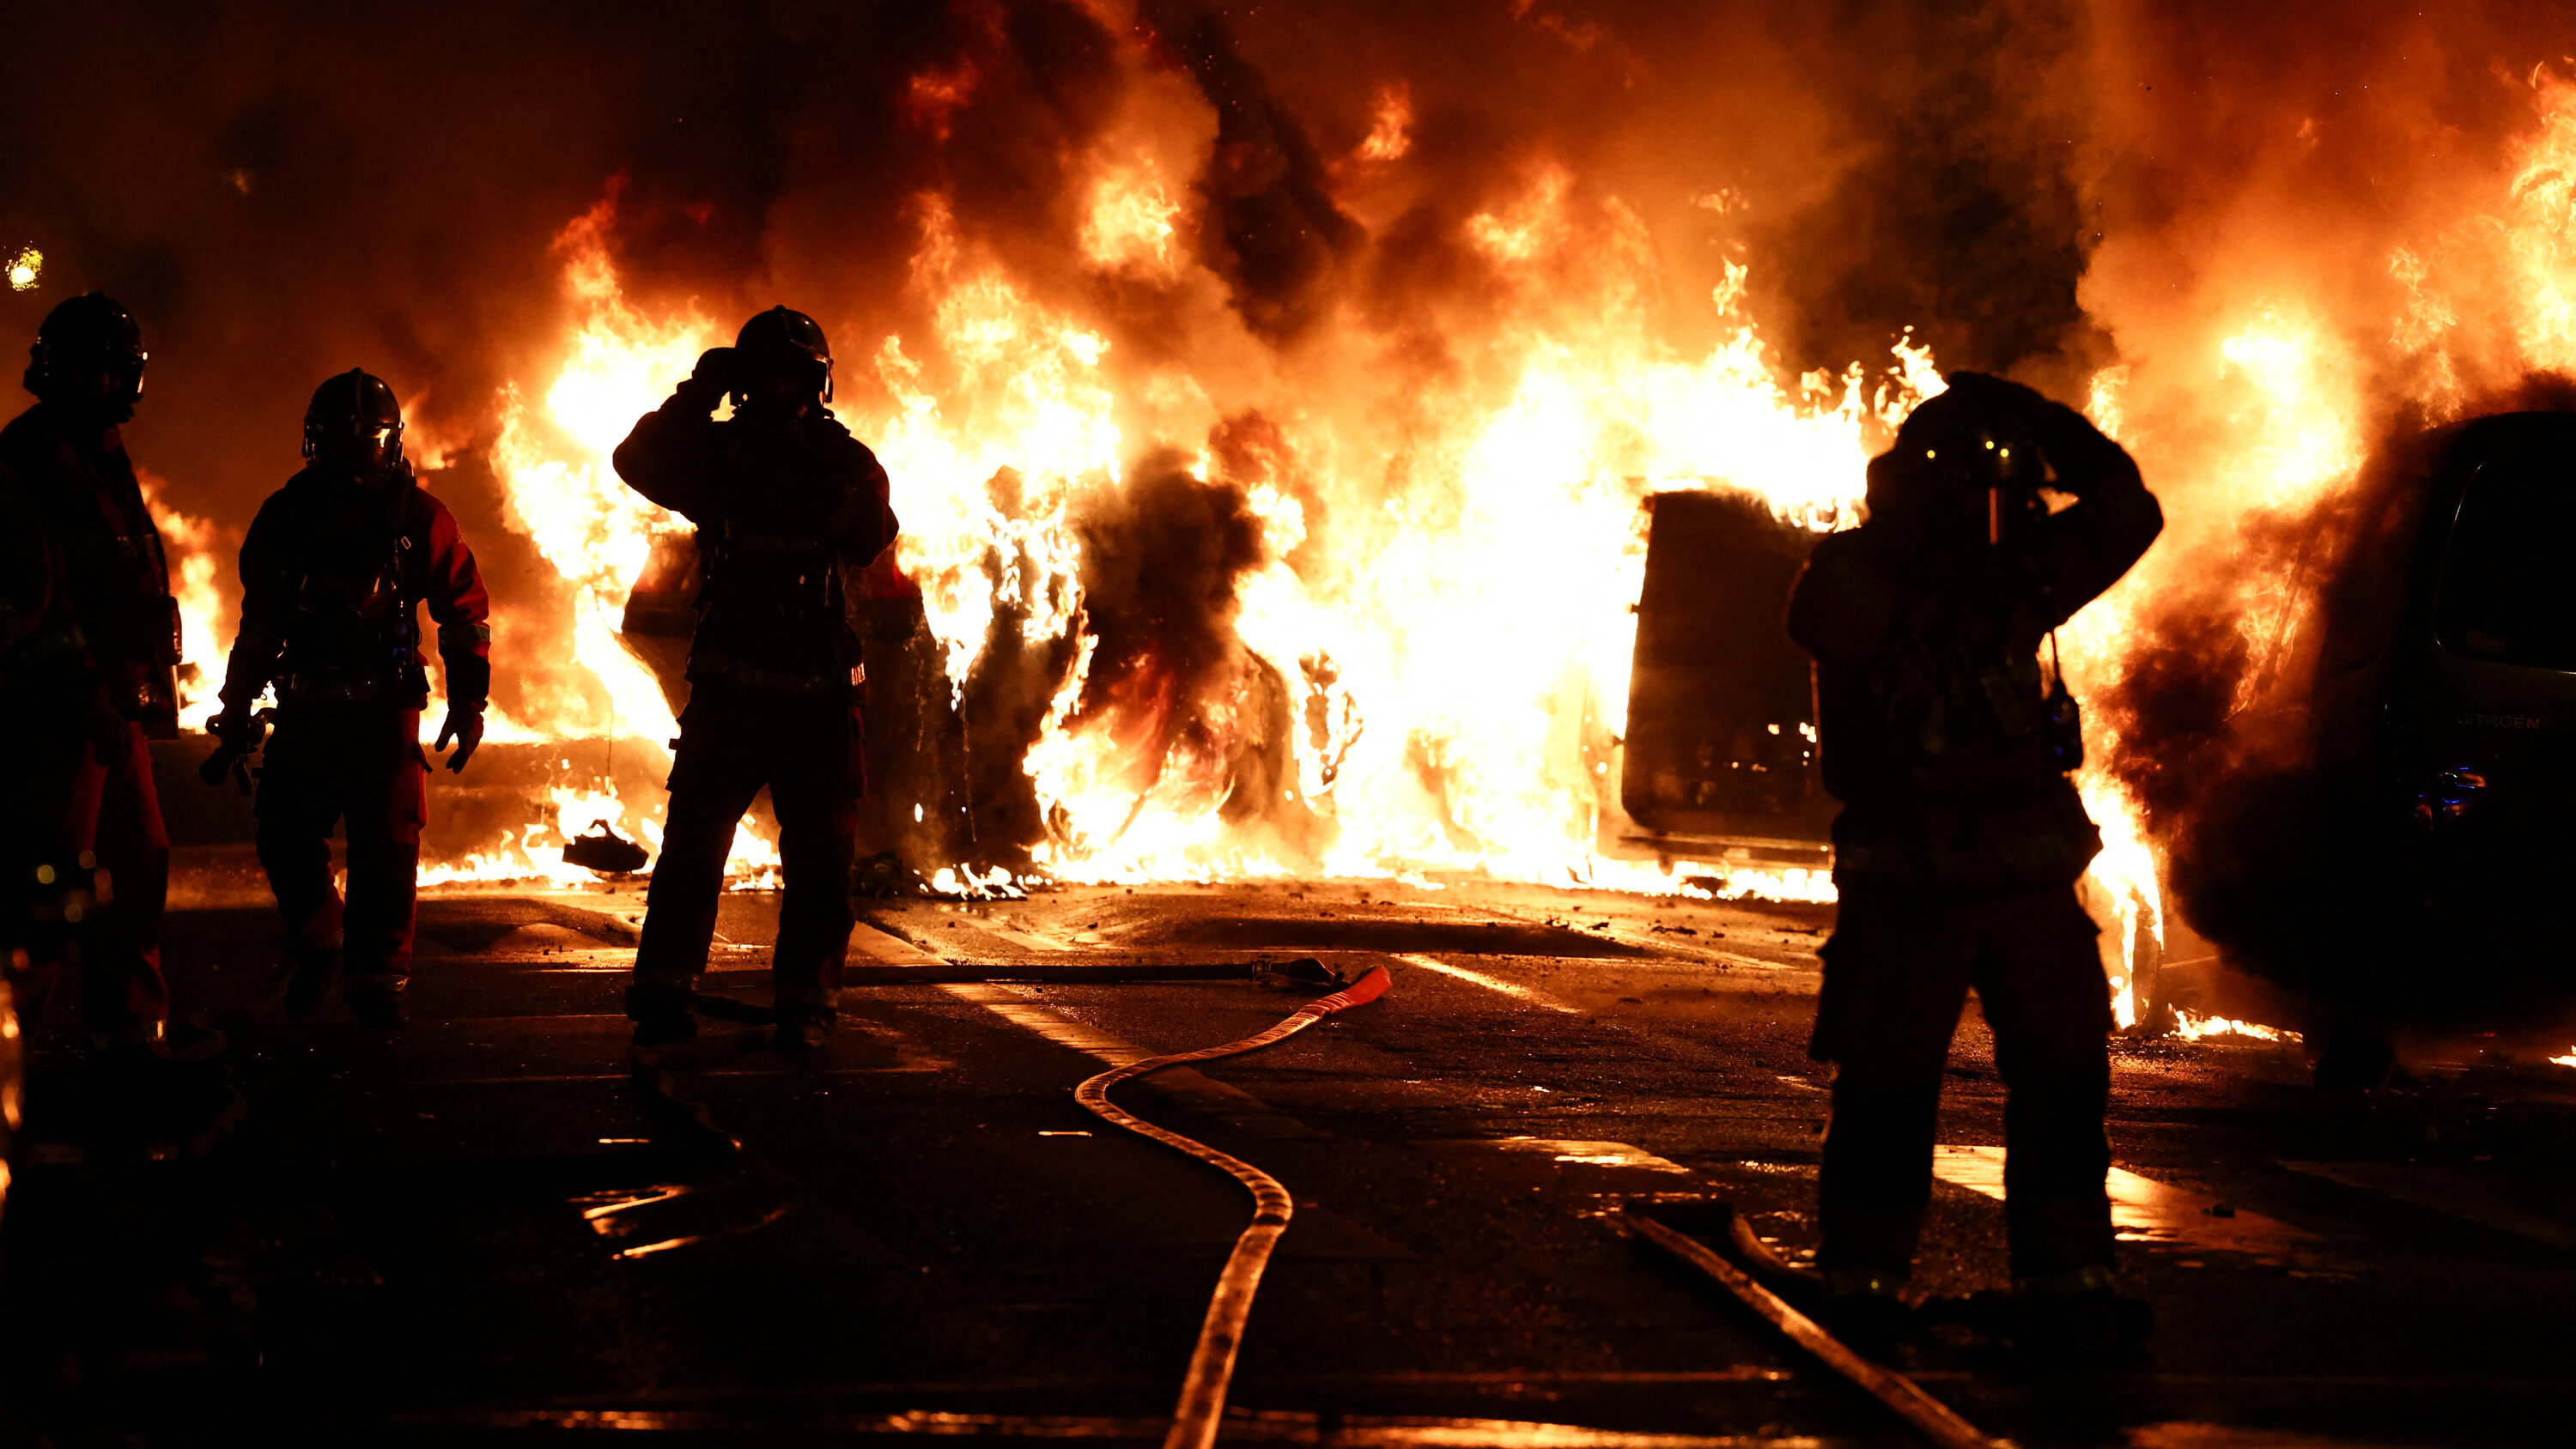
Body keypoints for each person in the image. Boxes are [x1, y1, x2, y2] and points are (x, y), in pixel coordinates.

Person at [1785, 372, 2162, 1358]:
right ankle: (1861, 1280)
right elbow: (1825, 620)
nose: (2011, 515)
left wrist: (2039, 421)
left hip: (2025, 883)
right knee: (1888, 1092)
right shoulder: (1860, 576)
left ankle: (2069, 1279)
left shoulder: (2017, 574)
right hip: (1911, 884)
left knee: (2067, 1079)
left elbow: (2129, 509)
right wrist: (1943, 575)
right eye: (1992, 494)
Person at [613, 306, 897, 1050]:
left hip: (818, 694)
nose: (778, 390)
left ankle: (806, 1006)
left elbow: (873, 536)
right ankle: (665, 997)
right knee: (695, 851)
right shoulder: (721, 457)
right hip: (737, 691)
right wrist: (692, 395)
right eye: (762, 377)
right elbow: (636, 459)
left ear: (818, 385)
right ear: (741, 384)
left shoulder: (842, 462)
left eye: (791, 376)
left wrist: (822, 479)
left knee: (821, 863)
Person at [210, 370, 490, 1026]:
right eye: (336, 443)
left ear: (389, 445)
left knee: (387, 852)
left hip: (382, 711)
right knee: (283, 837)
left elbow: (464, 612)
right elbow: (261, 623)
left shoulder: (420, 519)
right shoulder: (284, 516)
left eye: (364, 443)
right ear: (314, 444)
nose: (349, 457)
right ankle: (320, 940)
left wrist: (469, 701)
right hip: (306, 708)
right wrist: (237, 700)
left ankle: (377, 982)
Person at [0, 292, 191, 1063]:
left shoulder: (102, 450)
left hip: (116, 709)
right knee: (49, 891)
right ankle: (11, 1050)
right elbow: (26, 606)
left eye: (116, 369)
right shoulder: (26, 462)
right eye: (93, 367)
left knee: (139, 862)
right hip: (56, 720)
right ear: (58, 370)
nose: (107, 383)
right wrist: (86, 696)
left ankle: (129, 1035)